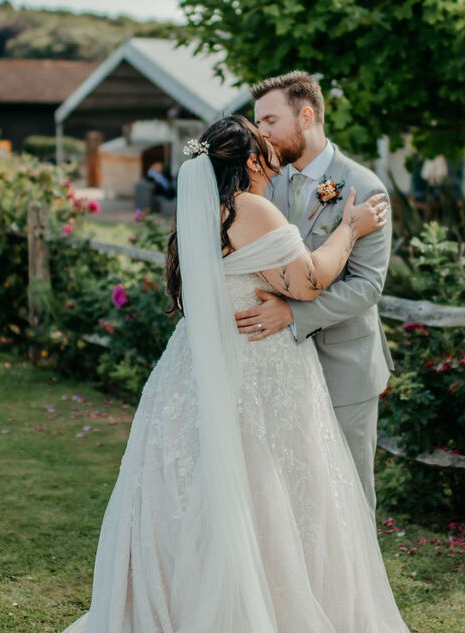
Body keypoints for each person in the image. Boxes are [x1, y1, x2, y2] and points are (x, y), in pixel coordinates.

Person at [62, 116, 409, 633]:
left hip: (192, 372)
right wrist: (350, 228)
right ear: (250, 161)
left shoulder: (208, 213)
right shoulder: (250, 208)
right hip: (252, 368)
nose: (273, 147)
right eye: (263, 141)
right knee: (267, 490)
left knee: (193, 491)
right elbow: (309, 281)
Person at [234, 71, 393, 513]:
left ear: (306, 116)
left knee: (349, 487)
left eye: (269, 121)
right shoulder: (265, 180)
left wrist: (293, 314)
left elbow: (367, 286)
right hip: (279, 362)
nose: (260, 133)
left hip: (344, 362)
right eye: (257, 123)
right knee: (292, 484)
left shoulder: (365, 187)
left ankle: (359, 584)